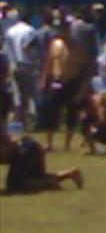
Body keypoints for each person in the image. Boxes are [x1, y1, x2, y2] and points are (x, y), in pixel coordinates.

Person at [39, 15, 86, 152]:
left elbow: (83, 65)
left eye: (64, 28)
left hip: (72, 81)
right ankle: (49, 143)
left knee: (72, 113)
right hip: (56, 81)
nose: (62, 31)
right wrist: (44, 80)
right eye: (59, 28)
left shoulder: (78, 45)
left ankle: (67, 144)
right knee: (51, 112)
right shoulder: (55, 44)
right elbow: (49, 62)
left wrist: (83, 84)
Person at [2, 131, 83, 193]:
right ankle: (69, 174)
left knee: (15, 185)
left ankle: (48, 184)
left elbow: (8, 144)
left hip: (26, 151)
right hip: (28, 148)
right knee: (32, 178)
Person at [4, 9, 38, 131]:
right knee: (28, 95)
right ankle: (27, 122)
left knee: (16, 95)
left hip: (13, 64)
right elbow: (30, 47)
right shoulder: (30, 30)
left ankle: (17, 121)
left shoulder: (10, 31)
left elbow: (7, 50)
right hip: (27, 65)